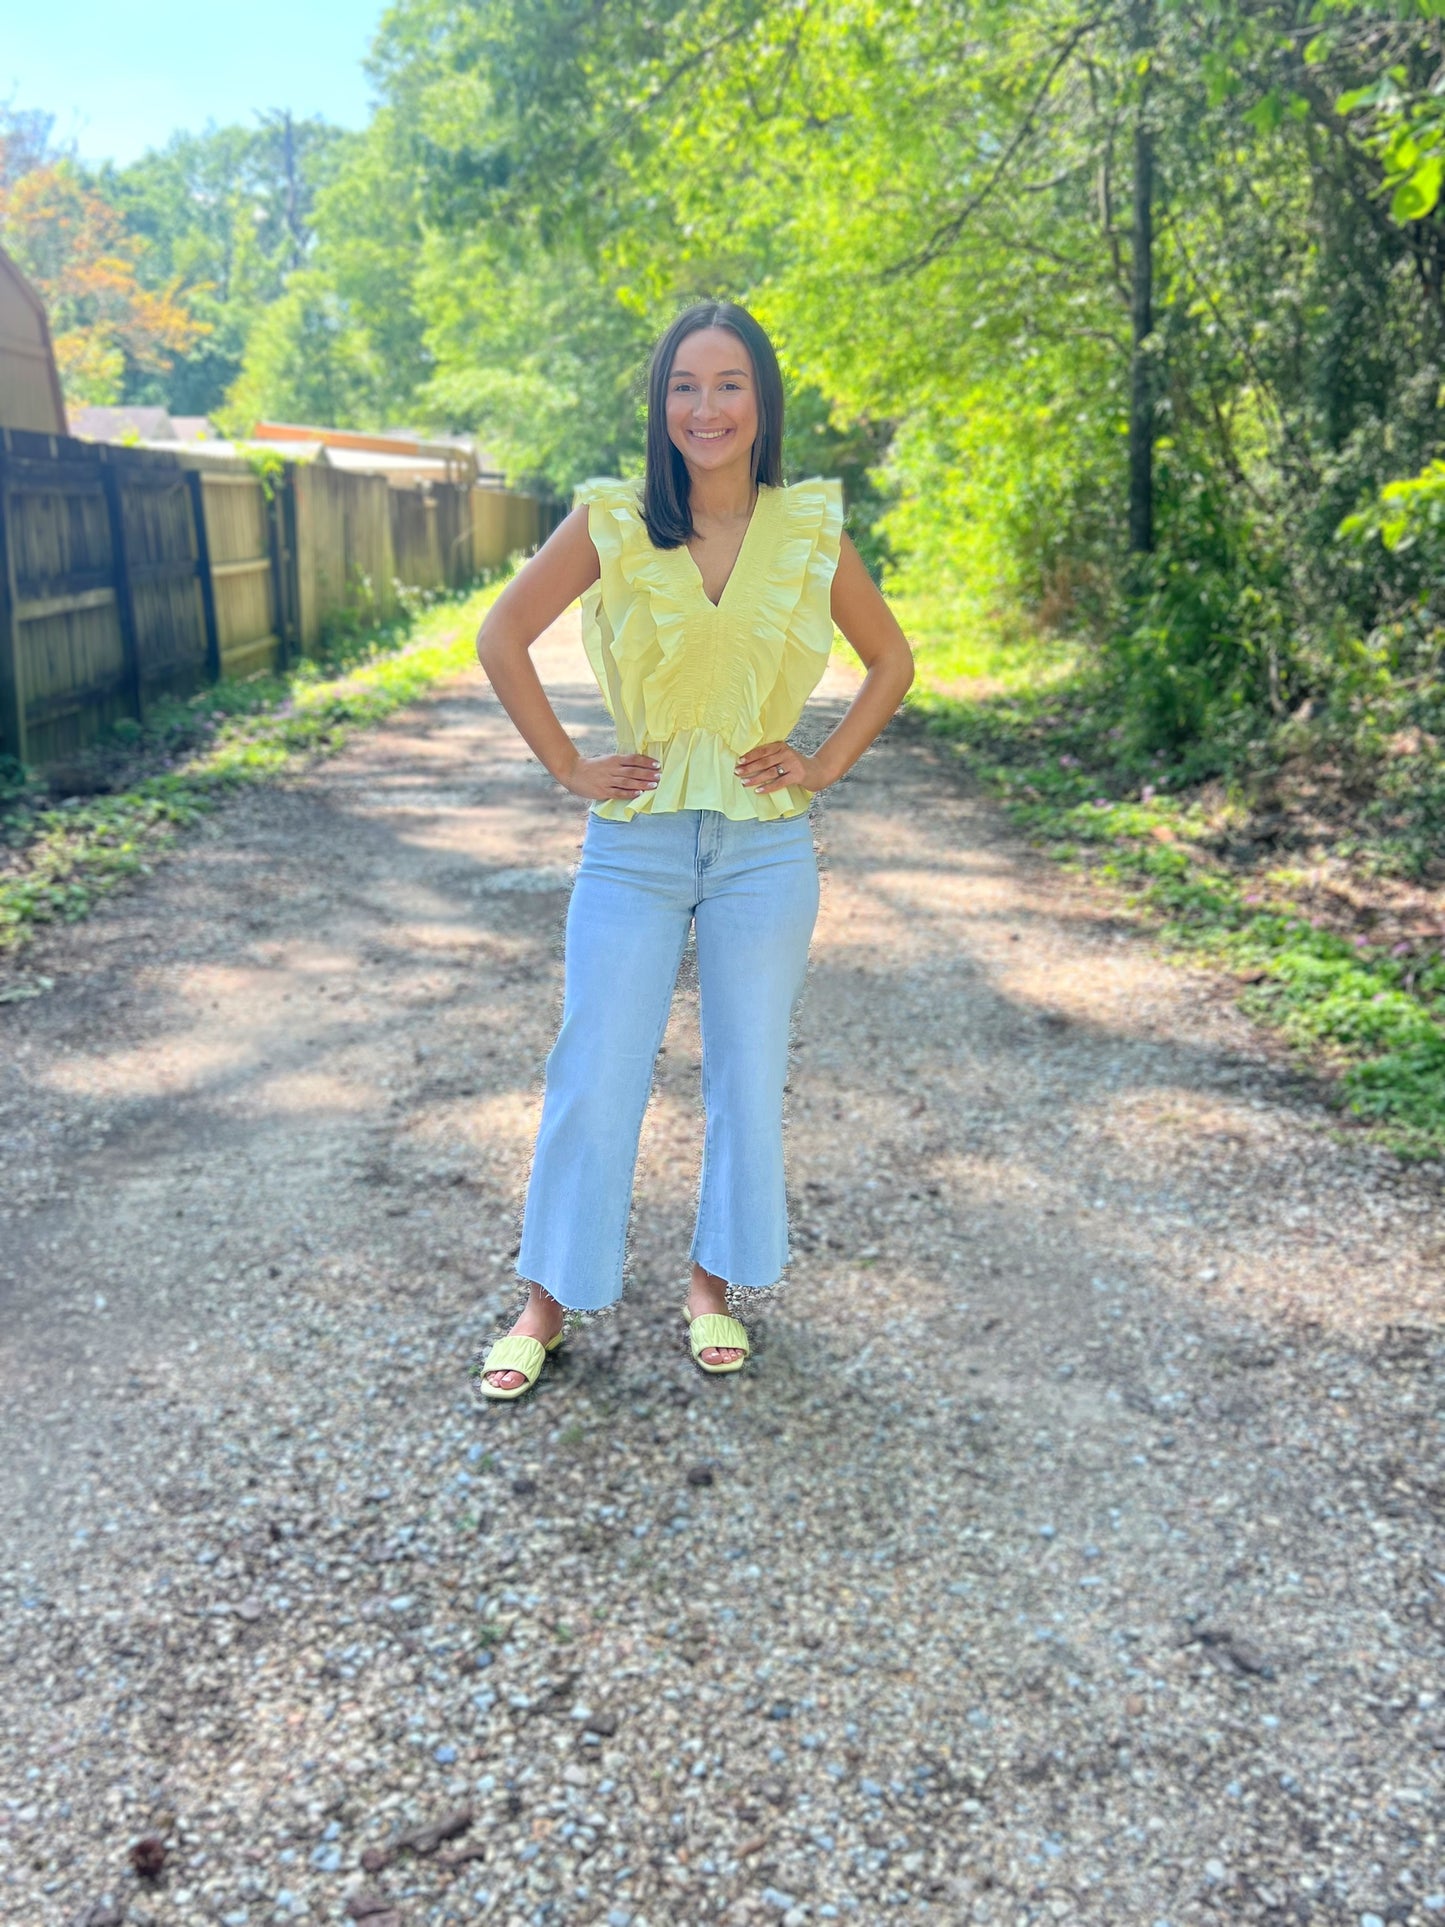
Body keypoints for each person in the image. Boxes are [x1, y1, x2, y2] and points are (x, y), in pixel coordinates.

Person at [472, 298, 914, 1399]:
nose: (702, 406)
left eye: (726, 384)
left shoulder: (808, 526)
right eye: (681, 384)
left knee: (745, 1074)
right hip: (636, 842)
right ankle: (544, 1302)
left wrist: (818, 766)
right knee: (593, 1071)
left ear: (760, 401)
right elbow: (499, 633)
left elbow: (890, 661)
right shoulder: (612, 518)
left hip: (766, 852)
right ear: (657, 401)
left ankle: (710, 1288)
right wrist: (569, 764)